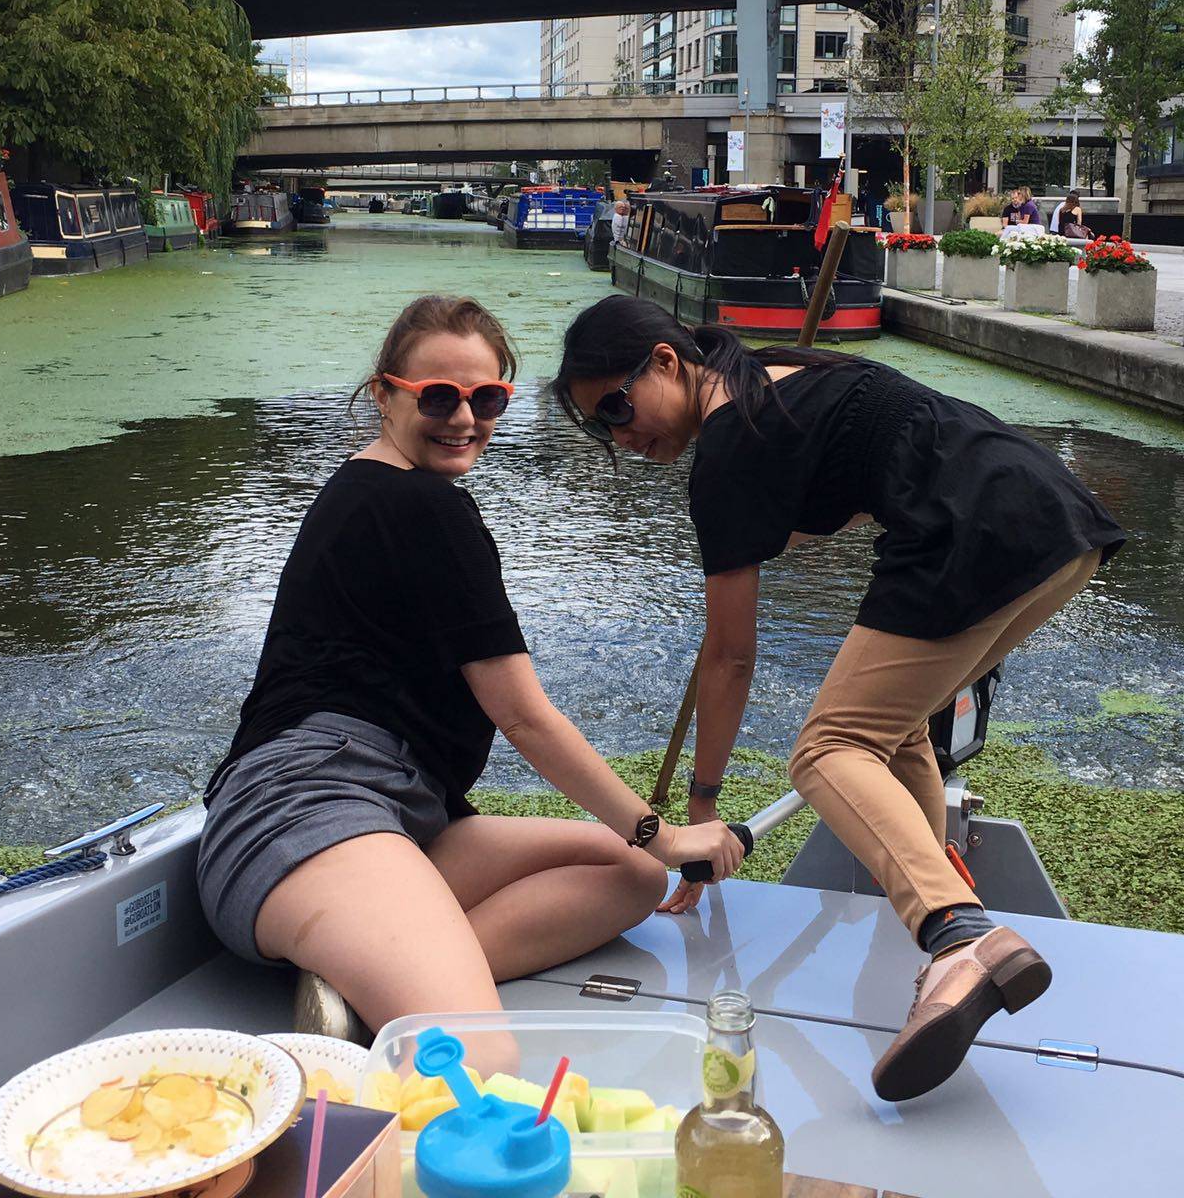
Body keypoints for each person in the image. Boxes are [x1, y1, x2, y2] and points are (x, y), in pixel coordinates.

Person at [552, 297, 1124, 1103]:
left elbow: (728, 656)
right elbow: (863, 464)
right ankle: (935, 930)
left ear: (667, 363)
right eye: (597, 426)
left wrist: (701, 808)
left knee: (827, 751)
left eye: (617, 405)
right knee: (892, 736)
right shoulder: (783, 374)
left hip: (970, 534)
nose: (620, 434)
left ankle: (959, 937)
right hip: (1055, 523)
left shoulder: (727, 450)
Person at [197, 295, 738, 1042]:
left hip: (411, 812)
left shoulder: (369, 490)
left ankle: (363, 985)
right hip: (310, 809)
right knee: (480, 1054)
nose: (464, 418)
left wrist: (651, 850)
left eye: (486, 398)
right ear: (385, 394)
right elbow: (522, 715)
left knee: (632, 875)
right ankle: (395, 967)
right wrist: (669, 835)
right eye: (438, 397)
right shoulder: (427, 508)